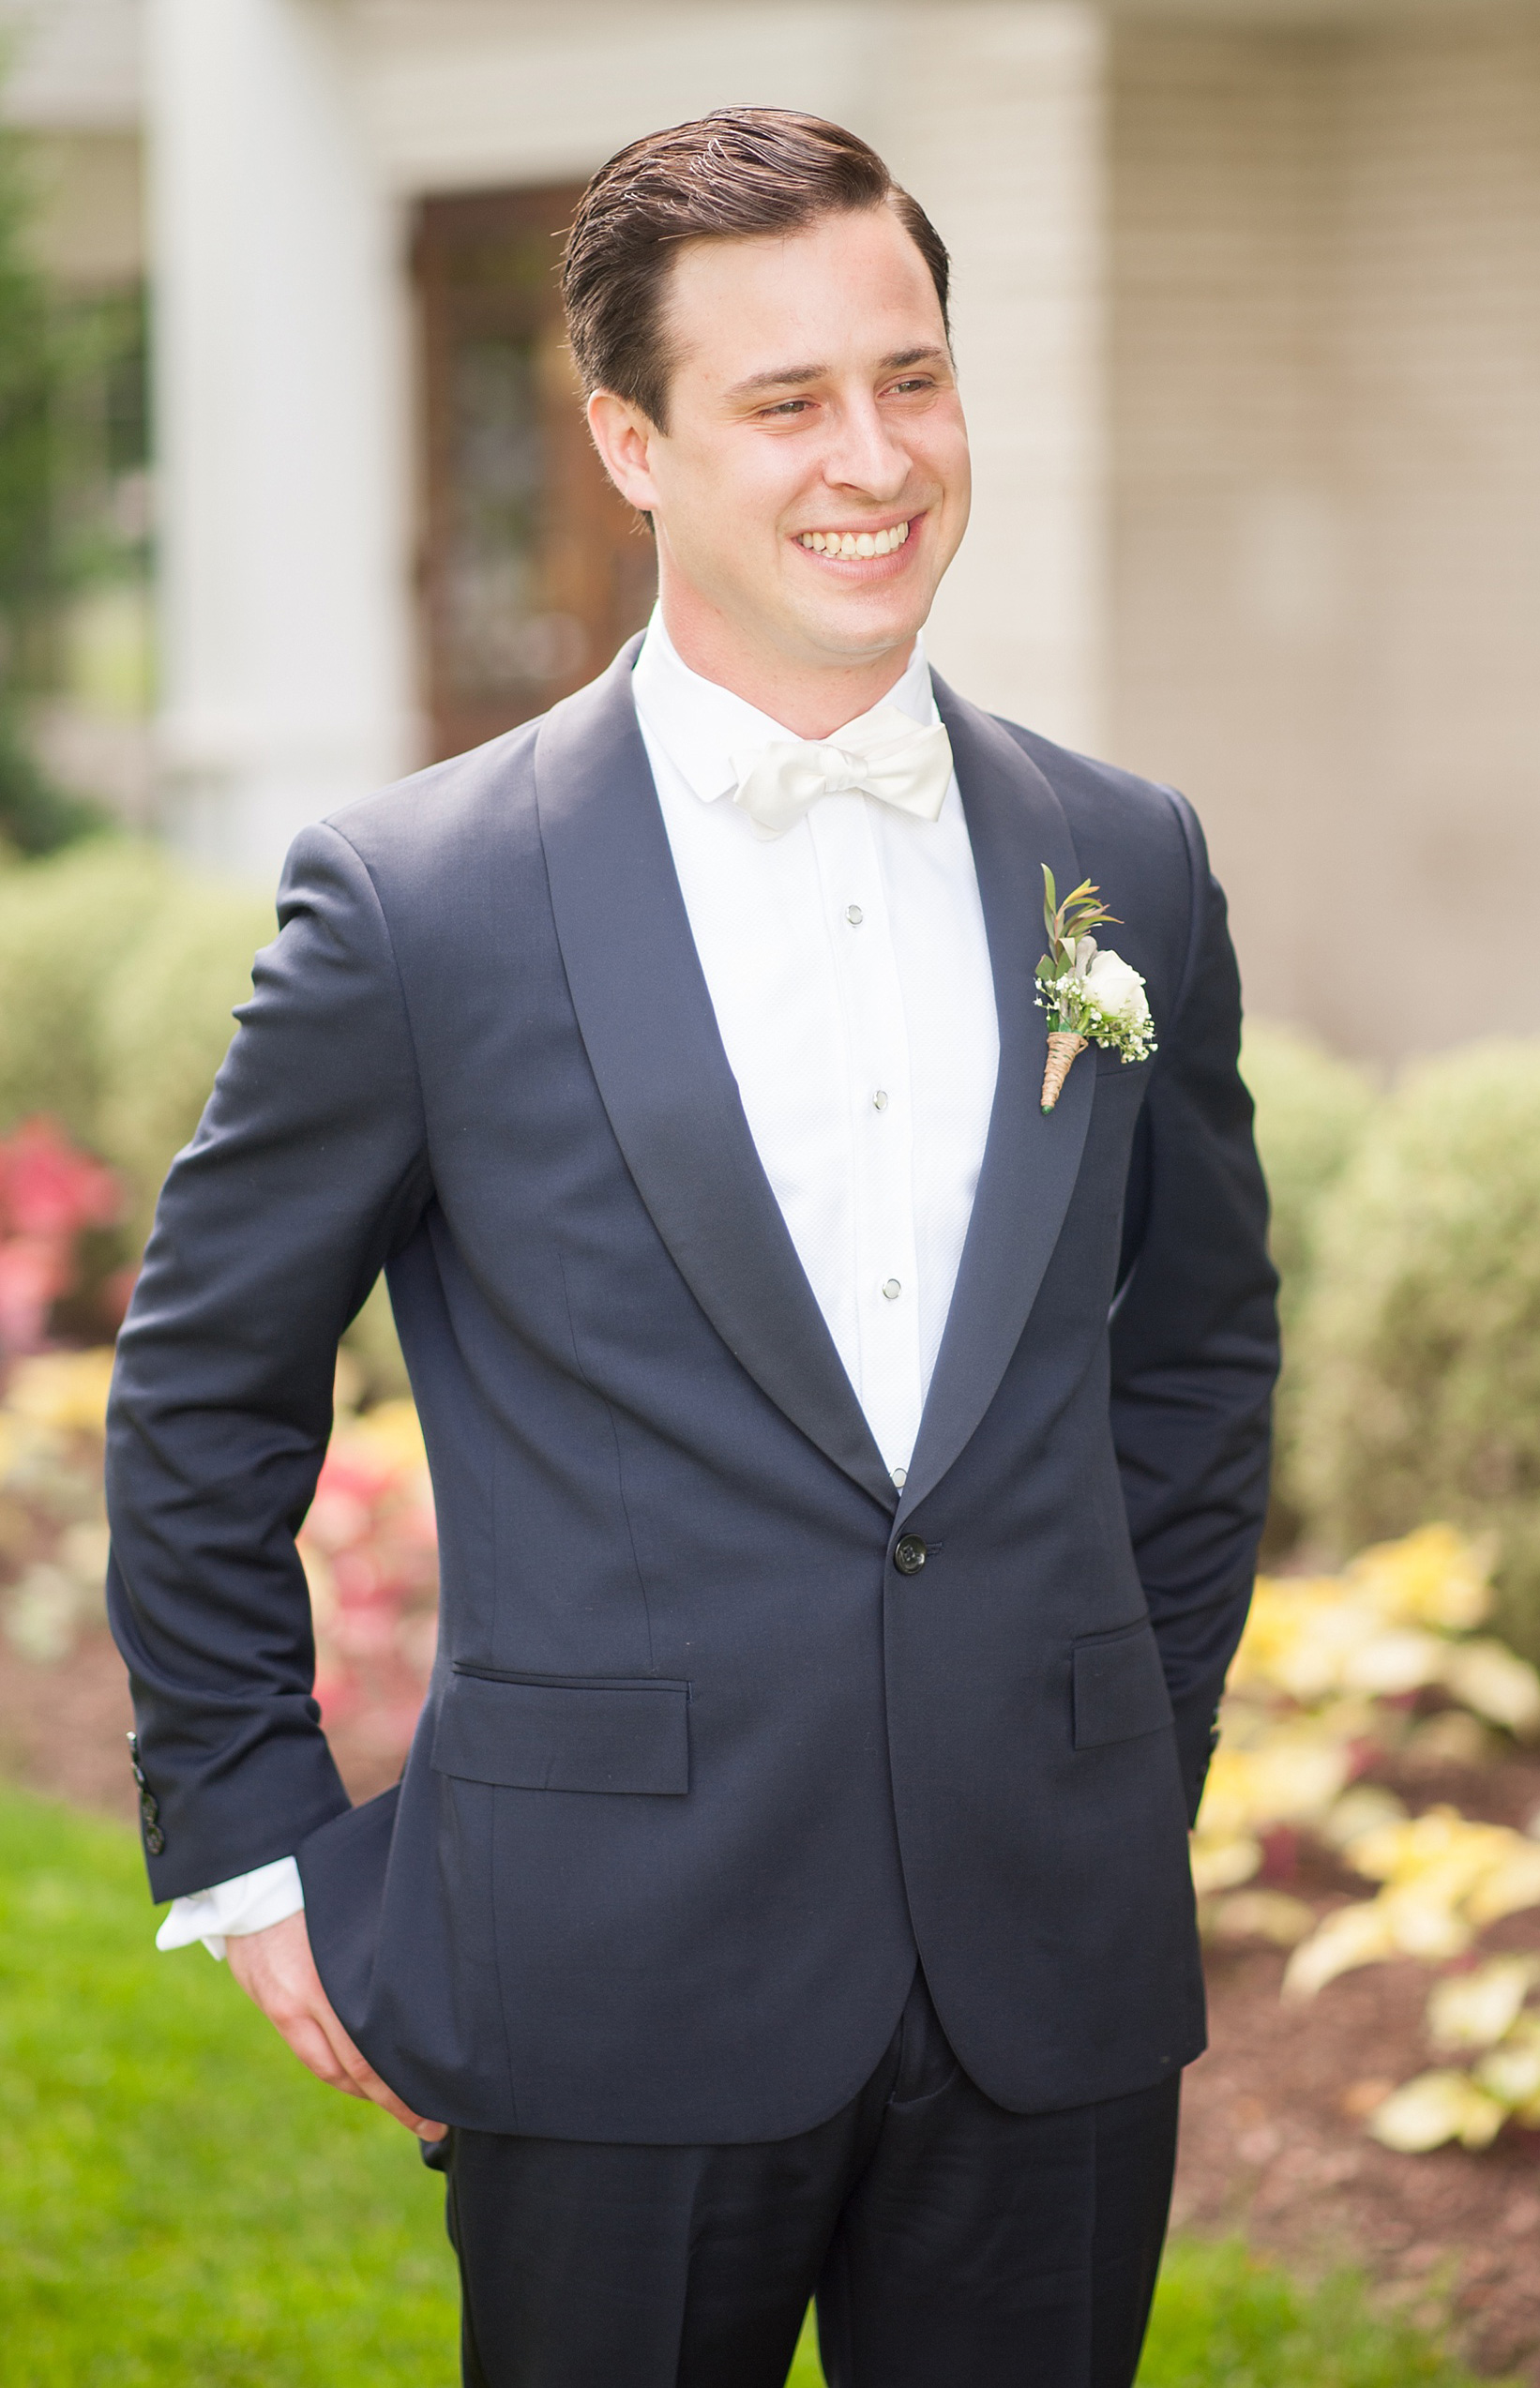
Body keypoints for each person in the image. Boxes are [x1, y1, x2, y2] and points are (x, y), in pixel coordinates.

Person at [106, 108, 1277, 2388]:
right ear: (630, 443)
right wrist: (255, 1849)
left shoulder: (1123, 864)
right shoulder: (418, 903)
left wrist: (1130, 1758)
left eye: (911, 375)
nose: (879, 456)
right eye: (787, 400)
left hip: (1051, 1971)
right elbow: (207, 1380)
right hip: (604, 1973)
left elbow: (1194, 1354)